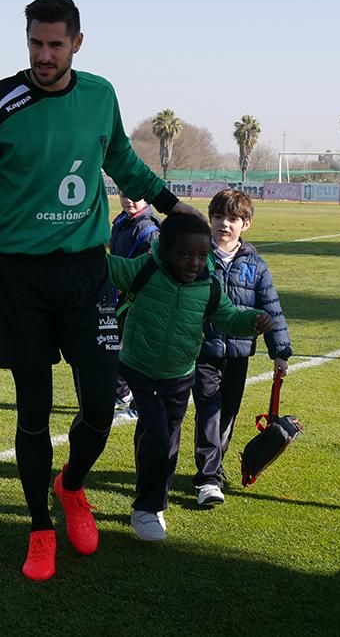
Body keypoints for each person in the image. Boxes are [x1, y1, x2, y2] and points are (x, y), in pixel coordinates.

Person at [0, 0, 201, 581]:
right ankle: (39, 527)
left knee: (102, 406)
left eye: (56, 44)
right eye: (35, 43)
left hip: (88, 273)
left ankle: (71, 485)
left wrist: (176, 209)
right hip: (22, 278)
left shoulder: (100, 95)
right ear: (26, 39)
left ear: (78, 43)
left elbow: (125, 164)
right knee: (33, 412)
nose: (44, 55)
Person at [109, 213, 271, 540]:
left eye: (201, 255)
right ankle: (147, 508)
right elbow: (106, 266)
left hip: (179, 376)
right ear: (164, 251)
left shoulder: (208, 286)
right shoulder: (146, 269)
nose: (194, 262)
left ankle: (155, 495)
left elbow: (228, 317)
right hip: (140, 370)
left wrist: (252, 320)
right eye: (185, 255)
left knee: (164, 438)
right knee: (156, 435)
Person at [192, 189, 292, 505]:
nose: (224, 224)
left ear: (245, 224)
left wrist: (280, 351)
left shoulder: (256, 266)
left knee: (228, 414)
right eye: (218, 217)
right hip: (202, 351)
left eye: (233, 218)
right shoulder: (196, 256)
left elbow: (270, 308)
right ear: (210, 219)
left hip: (238, 354)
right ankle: (207, 479)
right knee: (209, 410)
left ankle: (214, 469)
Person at [108, 192, 161, 413]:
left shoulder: (149, 230)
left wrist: (128, 285)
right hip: (116, 296)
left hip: (136, 299)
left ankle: (139, 401)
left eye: (135, 196)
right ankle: (121, 392)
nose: (129, 200)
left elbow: (150, 268)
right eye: (124, 194)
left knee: (132, 351)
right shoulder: (120, 222)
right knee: (112, 346)